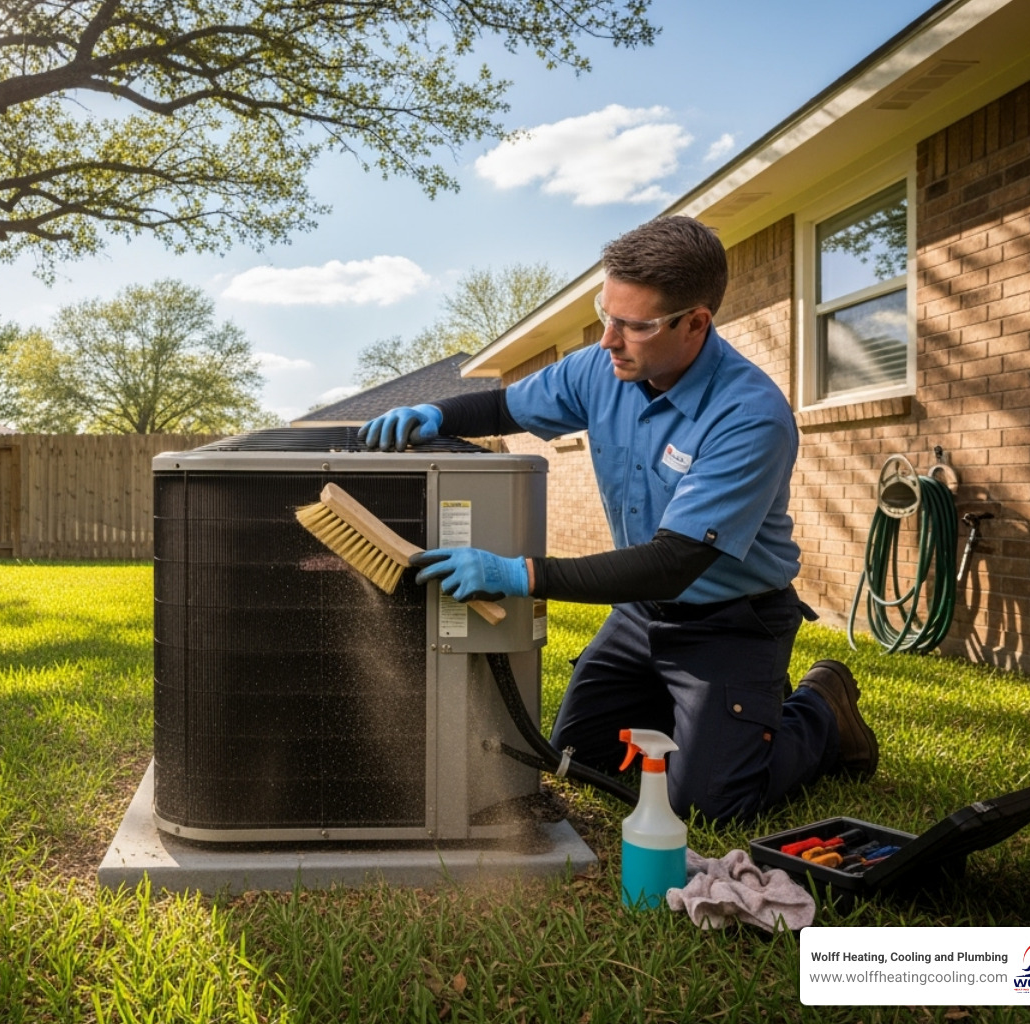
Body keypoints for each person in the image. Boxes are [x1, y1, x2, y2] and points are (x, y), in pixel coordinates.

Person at [358, 215, 877, 824]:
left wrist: (520, 574)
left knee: (706, 808)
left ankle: (819, 710)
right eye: (607, 314)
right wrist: (436, 413)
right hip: (640, 616)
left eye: (634, 325)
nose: (609, 339)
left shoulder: (748, 415)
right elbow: (506, 405)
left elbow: (672, 563)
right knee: (578, 757)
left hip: (729, 624)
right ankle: (720, 722)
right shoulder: (603, 368)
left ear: (695, 323)